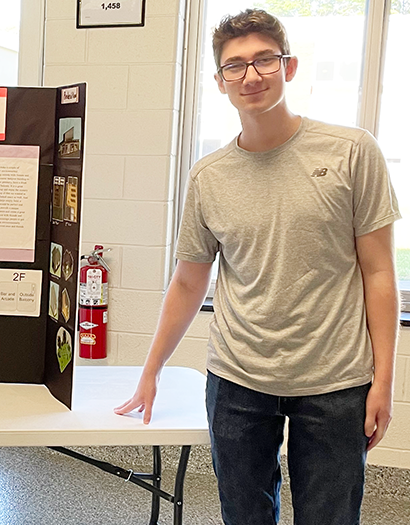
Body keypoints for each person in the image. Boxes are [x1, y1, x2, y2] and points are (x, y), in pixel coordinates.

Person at [114, 9, 399, 525]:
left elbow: (379, 273)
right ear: (220, 81)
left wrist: (384, 380)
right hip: (238, 379)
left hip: (335, 380)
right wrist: (150, 371)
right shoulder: (209, 177)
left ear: (287, 67)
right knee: (244, 515)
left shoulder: (353, 152)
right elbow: (187, 280)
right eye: (235, 65)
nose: (251, 75)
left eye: (264, 60)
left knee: (331, 518)